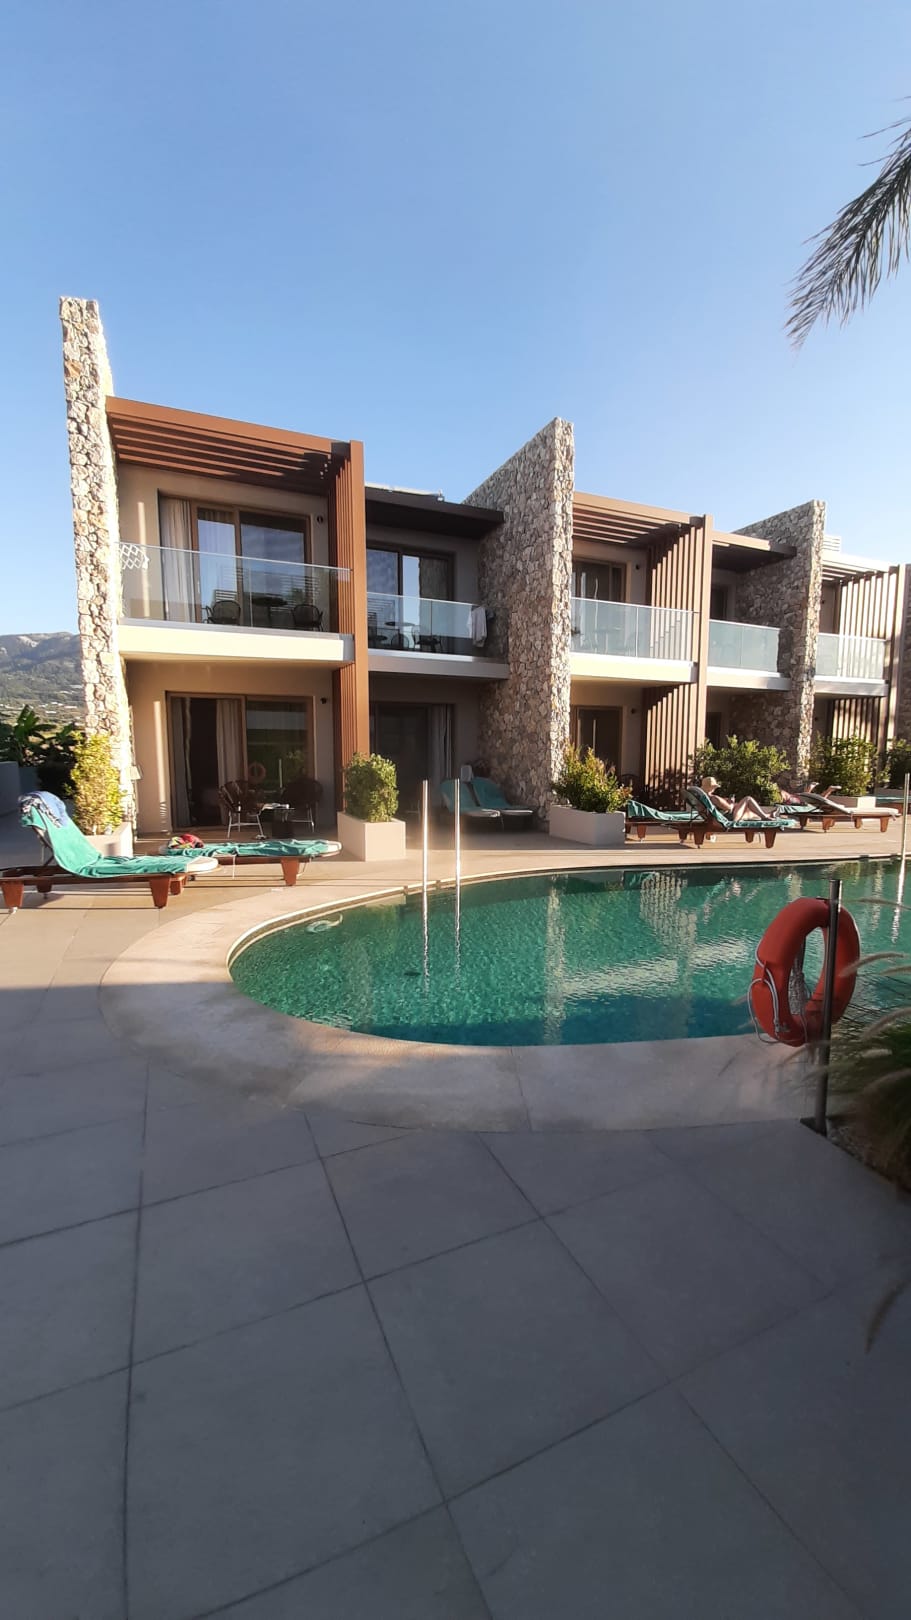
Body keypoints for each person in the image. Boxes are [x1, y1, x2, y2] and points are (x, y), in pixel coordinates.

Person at [700, 776, 767, 823]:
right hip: (728, 818)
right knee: (748, 799)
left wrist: (725, 801)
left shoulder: (703, 798)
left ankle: (766, 815)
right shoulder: (714, 798)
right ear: (712, 788)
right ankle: (764, 816)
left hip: (713, 819)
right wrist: (731, 802)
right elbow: (729, 809)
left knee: (745, 810)